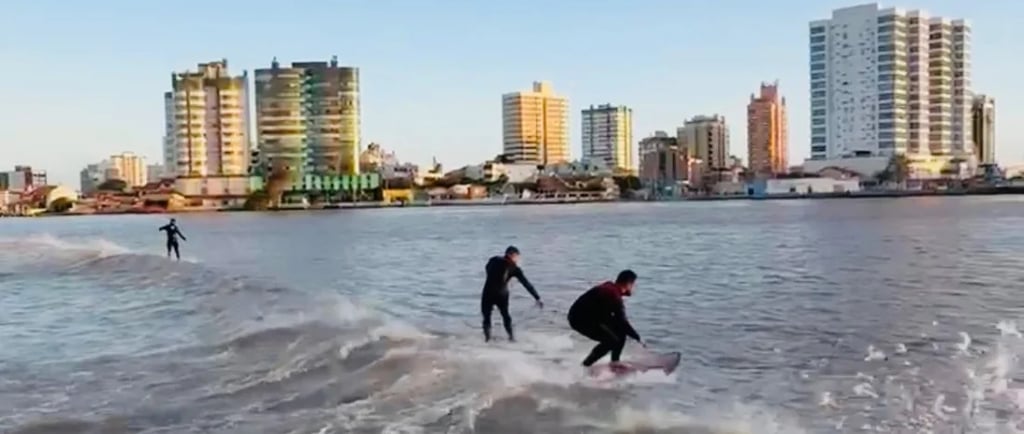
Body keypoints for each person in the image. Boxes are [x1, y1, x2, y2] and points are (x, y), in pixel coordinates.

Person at [567, 269, 644, 369]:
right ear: (628, 284)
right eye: (633, 285)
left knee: (619, 333)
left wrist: (633, 335)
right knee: (611, 340)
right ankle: (585, 366)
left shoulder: (611, 289)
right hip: (579, 319)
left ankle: (614, 362)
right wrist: (638, 338)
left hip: (588, 317)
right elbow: (622, 321)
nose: (634, 288)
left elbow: (619, 322)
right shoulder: (612, 294)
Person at [480, 245, 543, 342]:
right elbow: (526, 284)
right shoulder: (514, 268)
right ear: (512, 255)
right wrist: (537, 298)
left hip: (488, 292)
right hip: (502, 294)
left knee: (486, 317)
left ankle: (487, 340)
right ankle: (511, 338)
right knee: (505, 316)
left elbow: (487, 268)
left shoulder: (494, 260)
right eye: (517, 257)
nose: (518, 259)